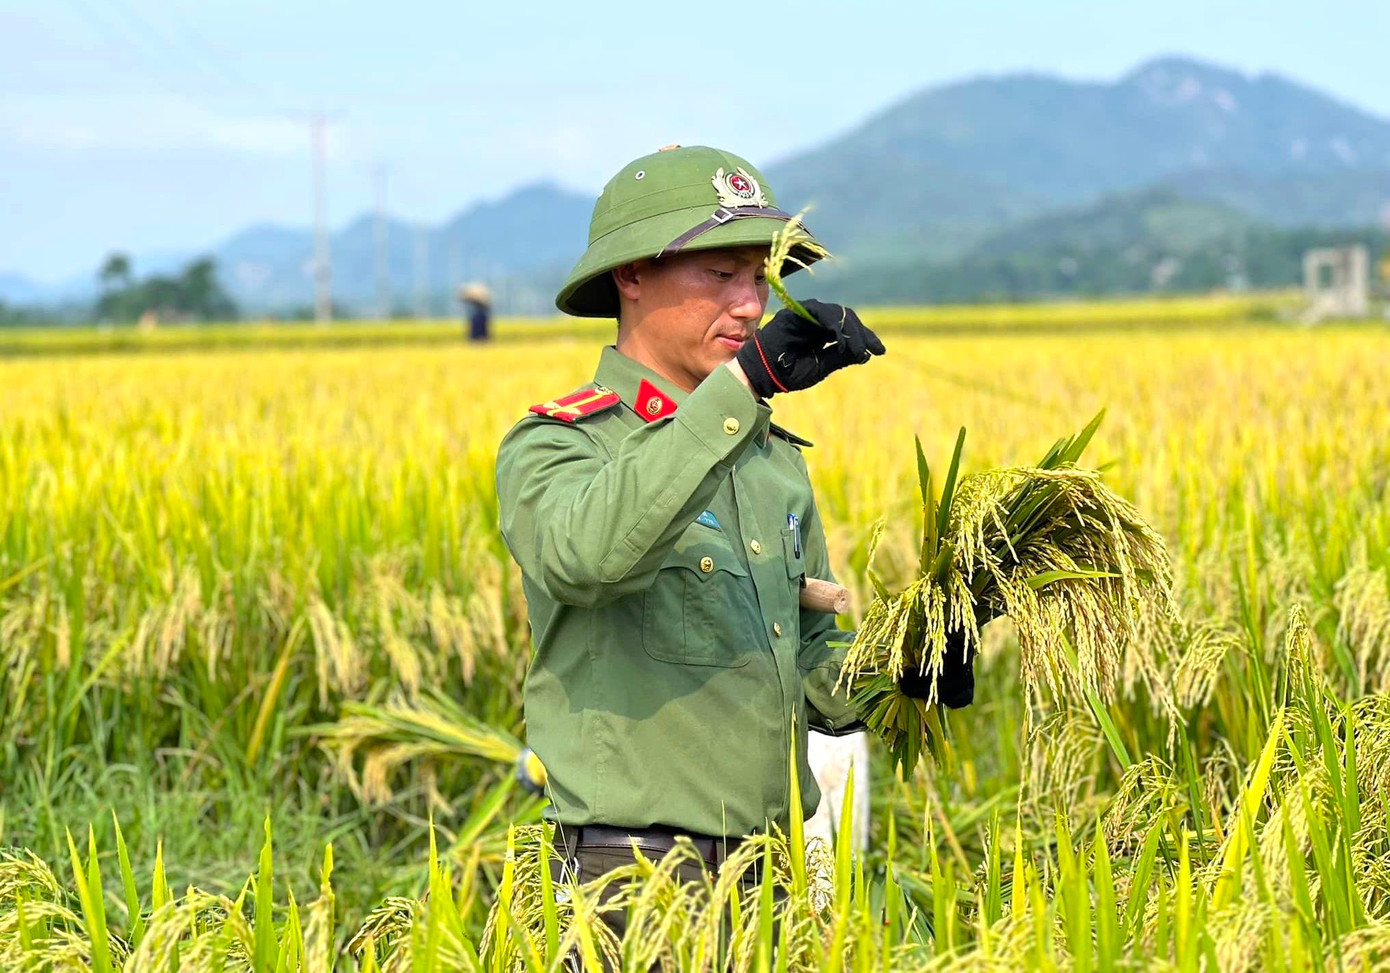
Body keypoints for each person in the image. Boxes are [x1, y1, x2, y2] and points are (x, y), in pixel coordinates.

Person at [494, 145, 975, 939]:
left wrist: (905, 671)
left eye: (758, 277)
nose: (749, 304)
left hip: (771, 879)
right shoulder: (559, 445)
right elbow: (589, 558)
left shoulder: (773, 463)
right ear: (632, 276)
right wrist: (743, 386)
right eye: (719, 274)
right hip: (632, 884)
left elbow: (809, 667)